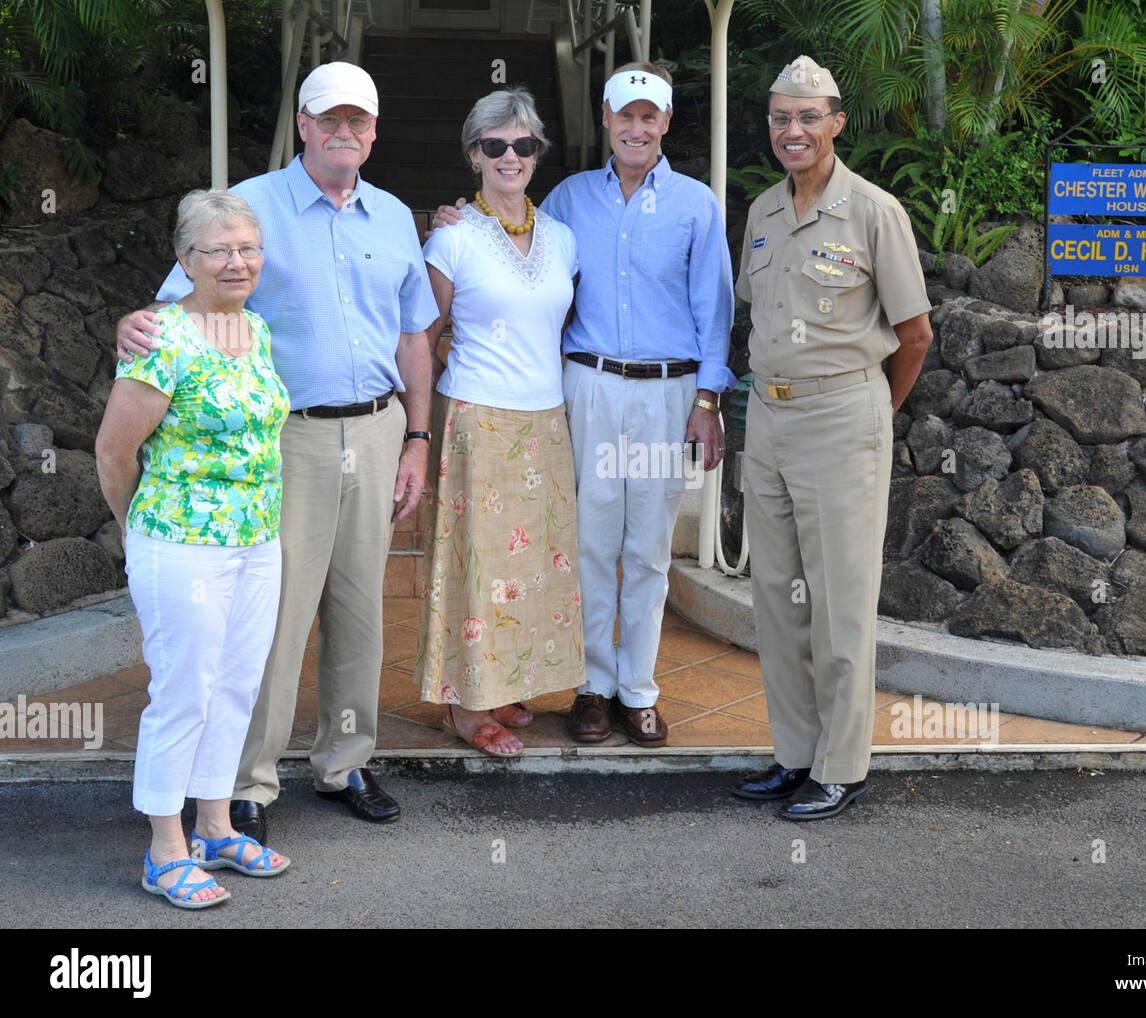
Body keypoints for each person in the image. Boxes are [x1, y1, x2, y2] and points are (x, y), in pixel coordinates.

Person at [116, 62, 436, 840]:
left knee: (362, 609)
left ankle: (344, 761)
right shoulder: (251, 207)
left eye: (359, 121)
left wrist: (418, 437)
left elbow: (413, 336)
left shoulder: (393, 215)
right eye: (331, 119)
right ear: (303, 123)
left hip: (378, 424)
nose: (345, 133)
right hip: (282, 436)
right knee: (276, 617)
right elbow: (174, 305)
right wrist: (130, 324)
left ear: (374, 130)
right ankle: (245, 786)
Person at [433, 64, 734, 747]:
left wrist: (709, 398)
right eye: (625, 115)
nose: (636, 127)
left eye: (648, 117)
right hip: (589, 386)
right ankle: (593, 688)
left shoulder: (695, 204)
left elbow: (715, 309)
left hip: (668, 389)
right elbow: (503, 235)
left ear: (664, 124)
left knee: (650, 548)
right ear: (605, 116)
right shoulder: (567, 200)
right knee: (592, 545)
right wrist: (454, 213)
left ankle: (639, 690)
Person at [731, 57, 933, 820]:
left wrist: (874, 411)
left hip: (844, 416)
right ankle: (795, 754)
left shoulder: (874, 212)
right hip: (771, 418)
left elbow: (914, 336)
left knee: (840, 601)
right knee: (776, 598)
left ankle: (842, 765)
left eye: (808, 117)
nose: (793, 131)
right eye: (782, 117)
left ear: (836, 124)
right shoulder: (761, 212)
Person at [97, 189, 292, 908]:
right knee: (182, 691)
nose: (237, 261)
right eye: (219, 249)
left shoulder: (259, 330)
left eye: (248, 248)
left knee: (235, 683)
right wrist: (136, 525)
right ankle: (164, 848)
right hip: (180, 543)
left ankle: (213, 826)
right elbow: (114, 451)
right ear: (186, 261)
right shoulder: (162, 337)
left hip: (255, 540)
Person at [415, 88, 584, 756]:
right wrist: (418, 431)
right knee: (478, 566)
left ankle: (507, 683)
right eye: (494, 145)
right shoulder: (452, 237)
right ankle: (465, 706)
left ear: (538, 153)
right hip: (478, 420)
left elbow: (554, 328)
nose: (509, 156)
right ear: (473, 154)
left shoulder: (564, 238)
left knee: (535, 567)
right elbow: (423, 337)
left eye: (522, 144)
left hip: (545, 420)